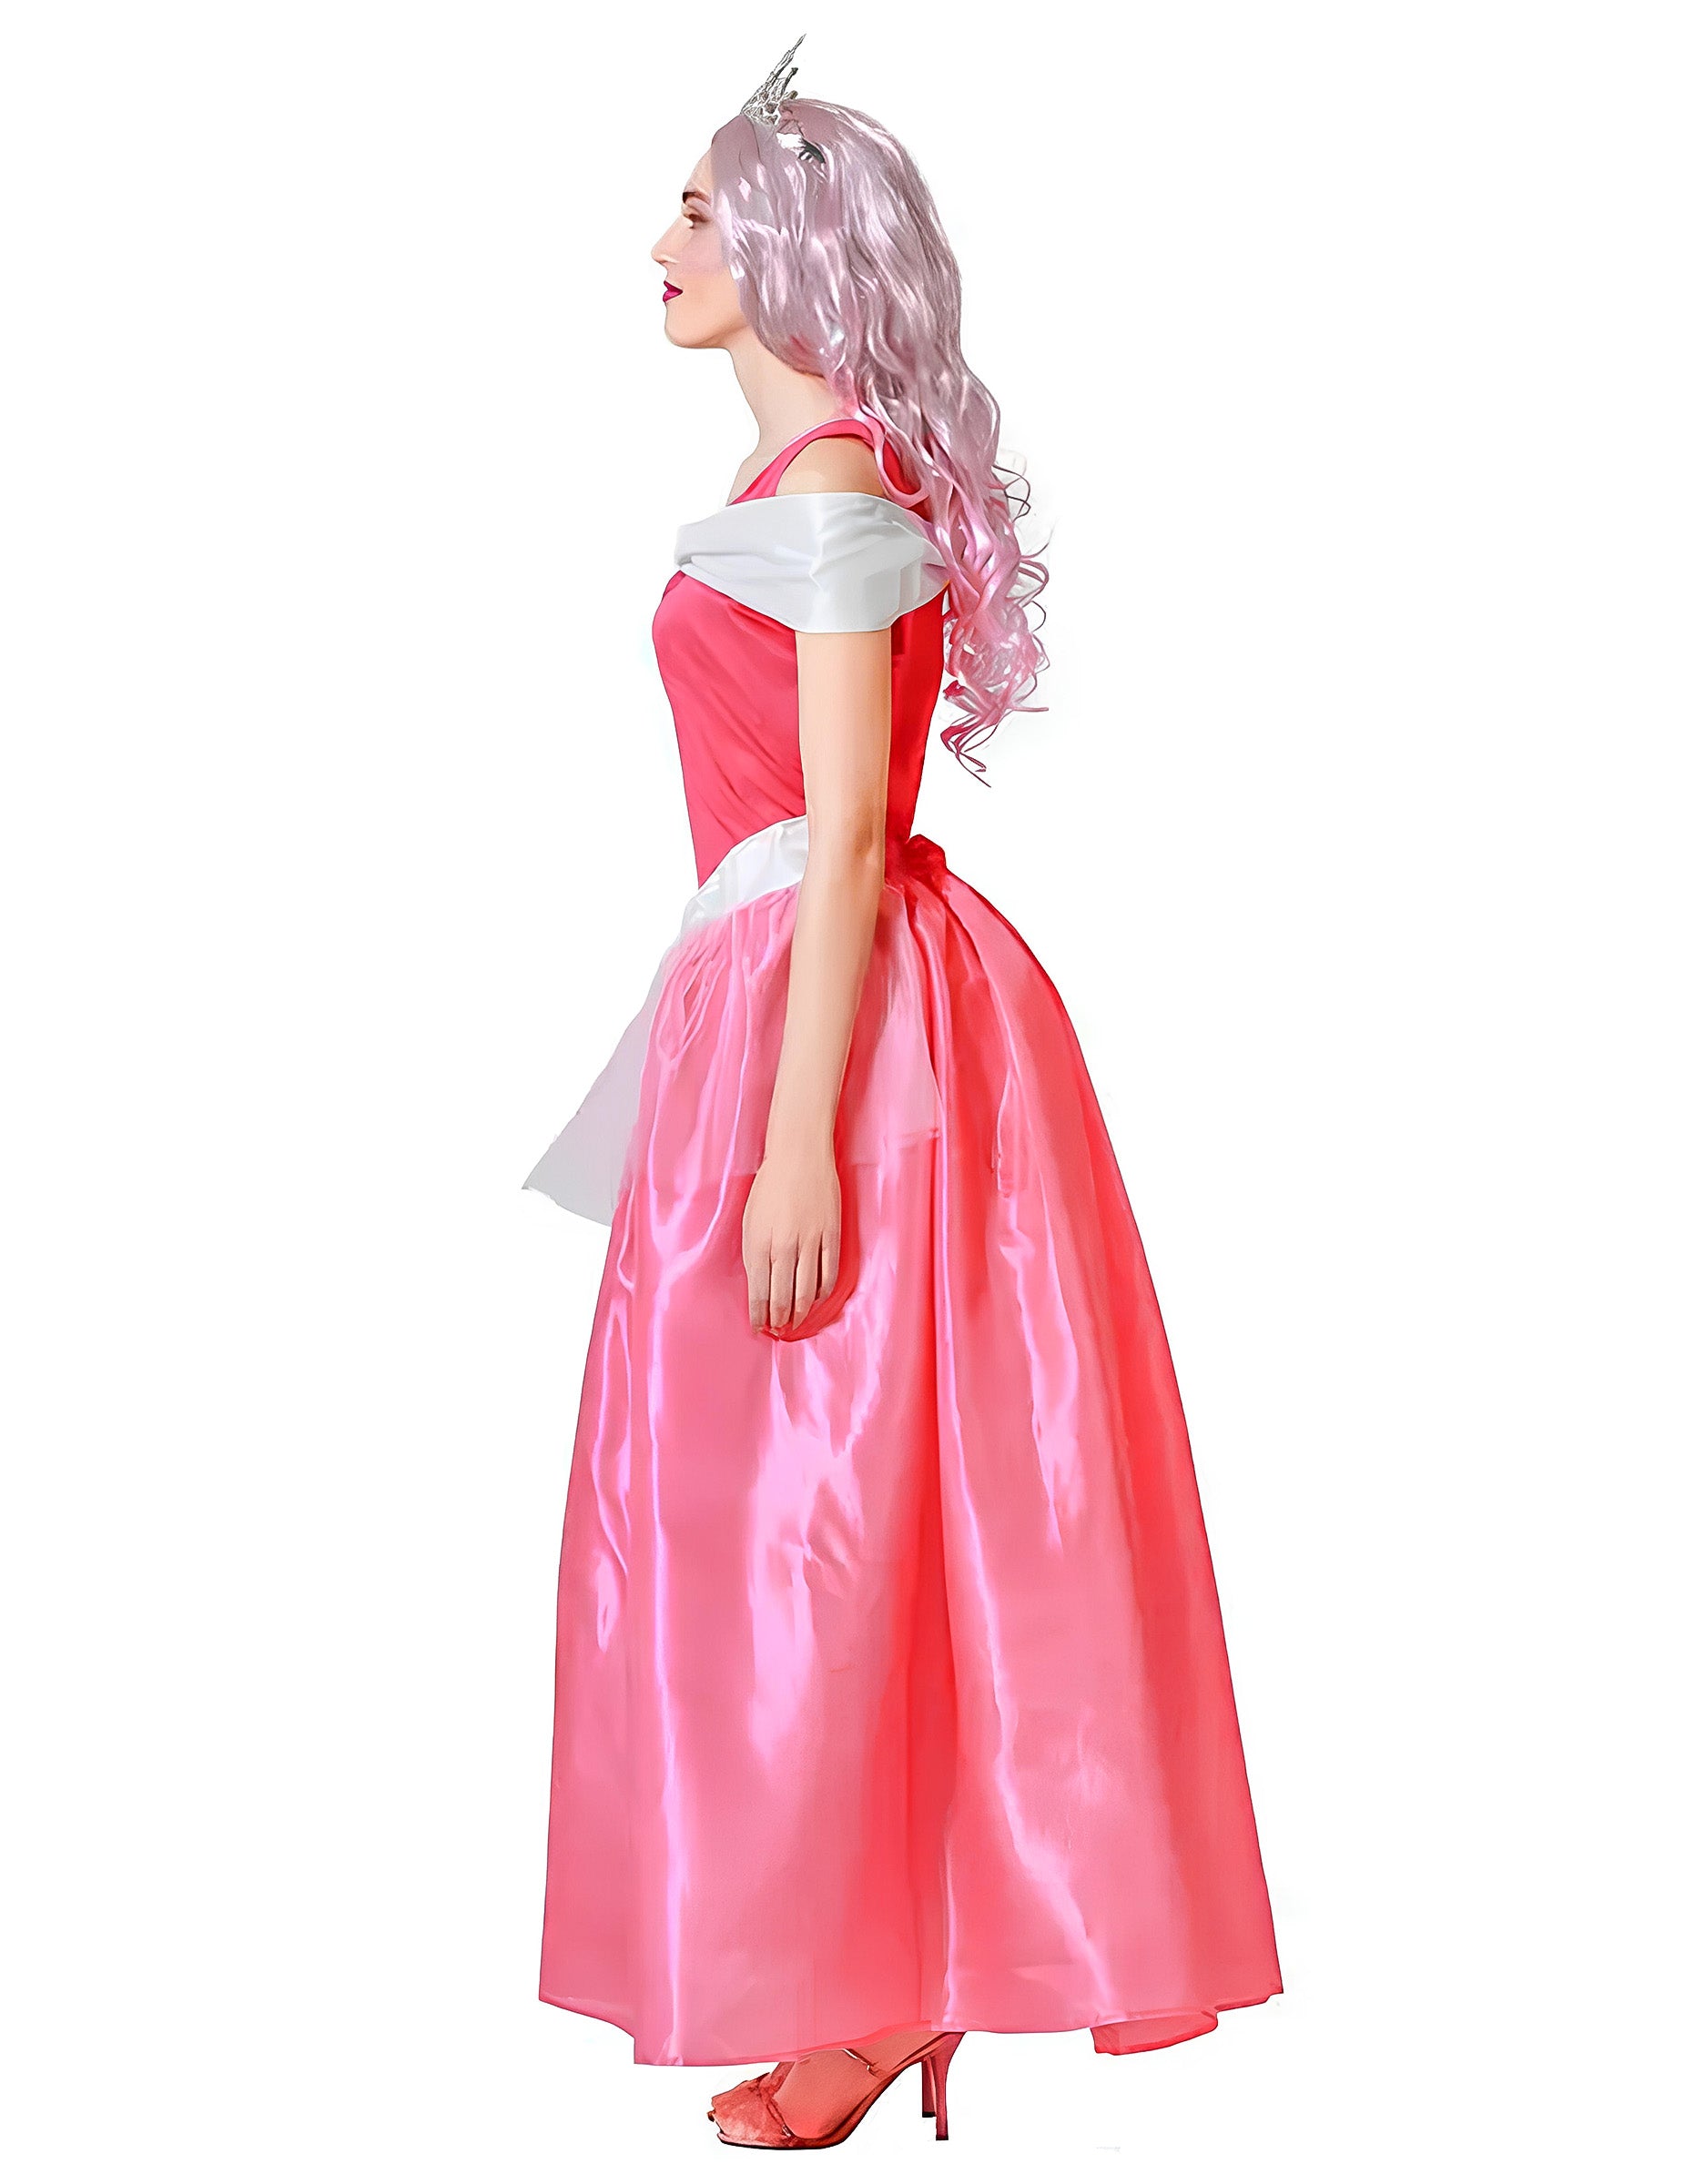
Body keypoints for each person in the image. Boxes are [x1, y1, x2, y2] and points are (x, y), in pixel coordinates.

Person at [524, 37, 1282, 2152]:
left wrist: (795, 1143)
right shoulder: (806, 487)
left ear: (788, 241)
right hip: (771, 993)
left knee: (829, 1504)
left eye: (699, 208)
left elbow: (850, 827)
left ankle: (873, 1989)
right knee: (784, 1511)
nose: (660, 242)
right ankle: (858, 1972)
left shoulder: (834, 497)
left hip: (835, 1024)